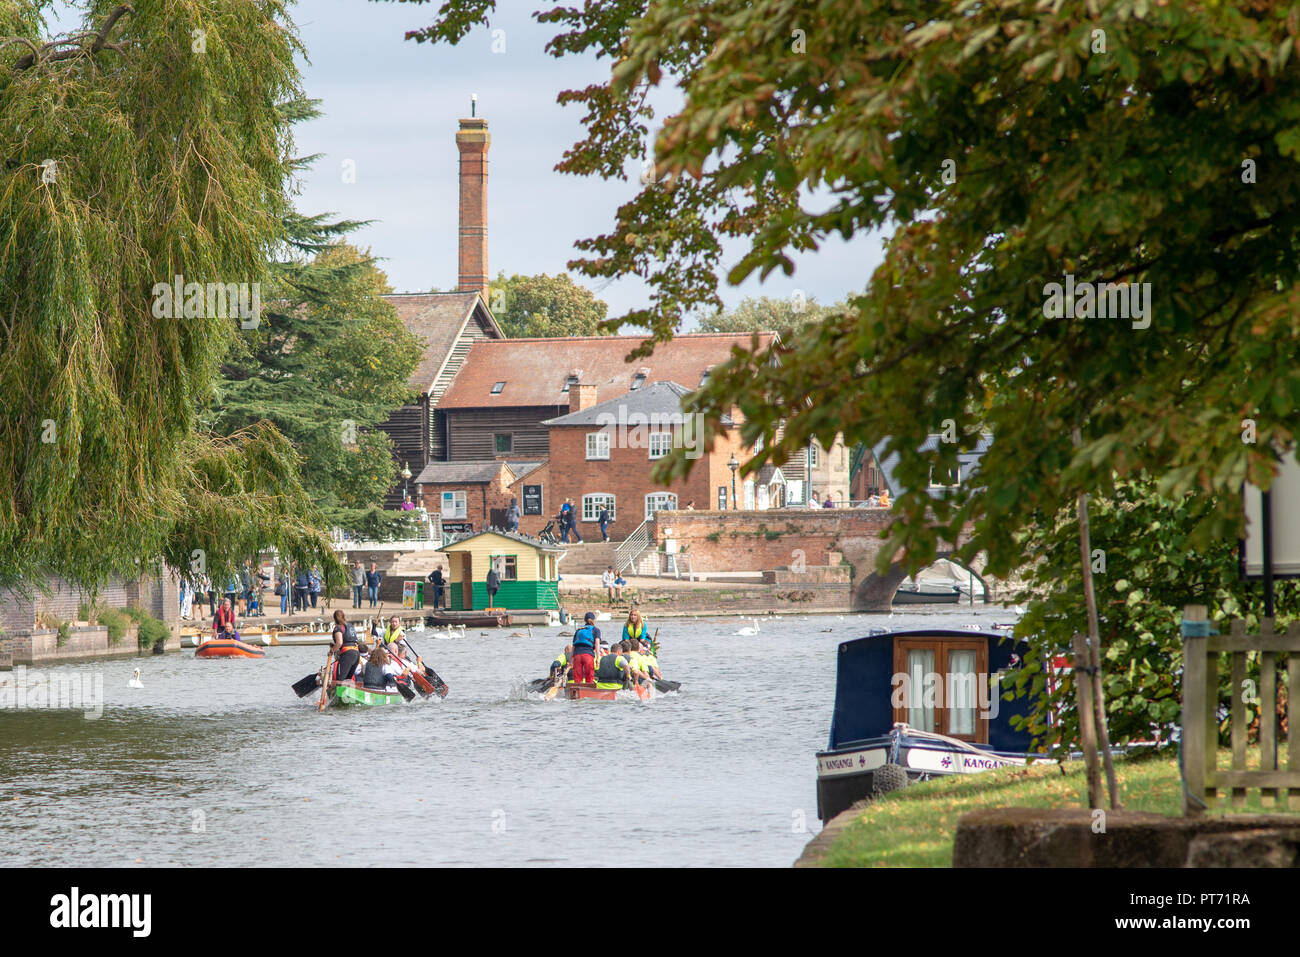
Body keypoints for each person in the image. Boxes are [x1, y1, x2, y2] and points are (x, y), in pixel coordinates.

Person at [330, 609, 362, 684]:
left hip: (348, 654)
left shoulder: (338, 628)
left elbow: (339, 643)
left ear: (334, 619)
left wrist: (331, 651)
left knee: (340, 680)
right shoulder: (350, 626)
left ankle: (339, 694)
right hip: (356, 654)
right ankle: (347, 694)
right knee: (348, 679)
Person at [571, 612, 600, 685]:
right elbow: (597, 643)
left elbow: (573, 646)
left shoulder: (579, 630)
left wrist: (571, 660)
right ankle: (588, 691)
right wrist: (597, 658)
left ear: (584, 620)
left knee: (577, 678)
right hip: (588, 655)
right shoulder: (595, 630)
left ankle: (577, 691)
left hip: (577, 655)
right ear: (594, 620)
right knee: (589, 677)